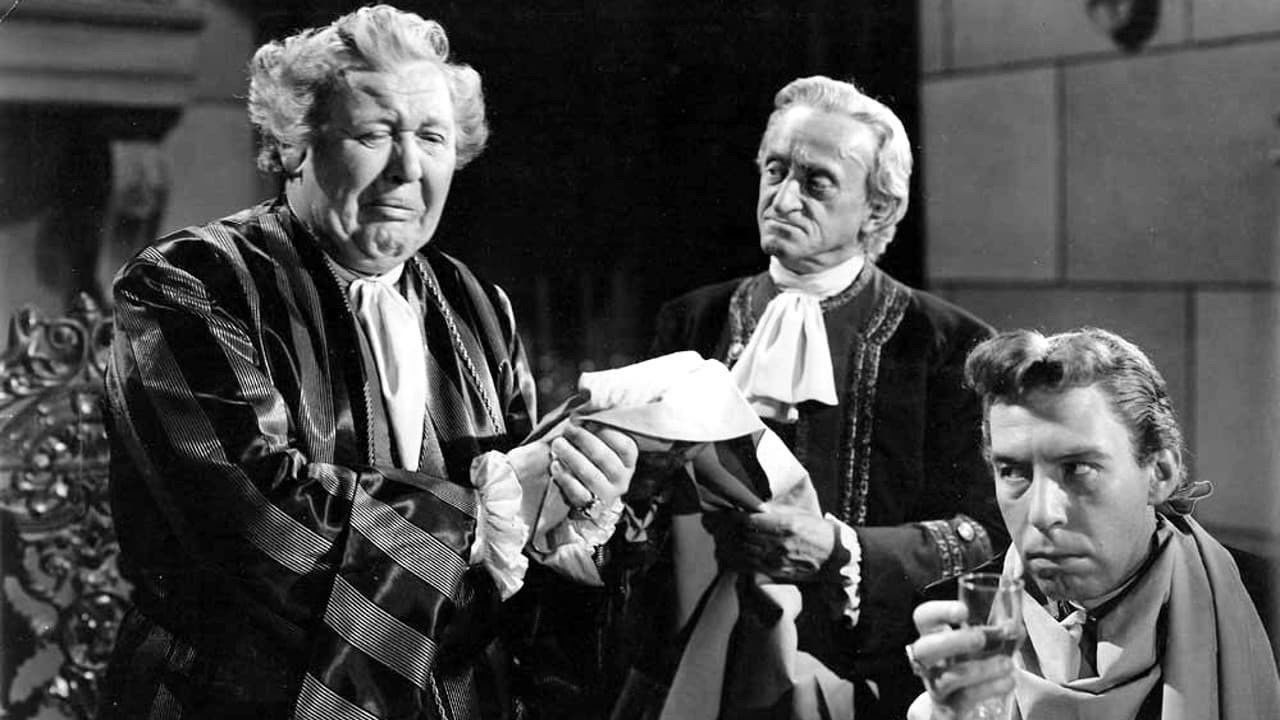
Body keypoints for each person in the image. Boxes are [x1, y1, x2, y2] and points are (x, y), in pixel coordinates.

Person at [98, 6, 637, 719]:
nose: (408, 169)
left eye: (432, 138)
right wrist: (488, 512)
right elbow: (258, 521)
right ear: (294, 145)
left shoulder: (476, 305)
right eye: (374, 134)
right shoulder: (192, 282)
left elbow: (514, 569)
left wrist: (568, 515)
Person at [605, 75, 1007, 718]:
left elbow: (990, 532)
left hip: (864, 680)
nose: (784, 198)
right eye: (775, 170)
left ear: (877, 210)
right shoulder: (693, 320)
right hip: (692, 671)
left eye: (816, 182)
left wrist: (843, 551)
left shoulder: (946, 344)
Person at [906, 328, 1280, 719]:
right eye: (1013, 472)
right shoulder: (949, 632)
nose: (1042, 514)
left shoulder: (1266, 606)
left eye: (1078, 469)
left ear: (1160, 474)